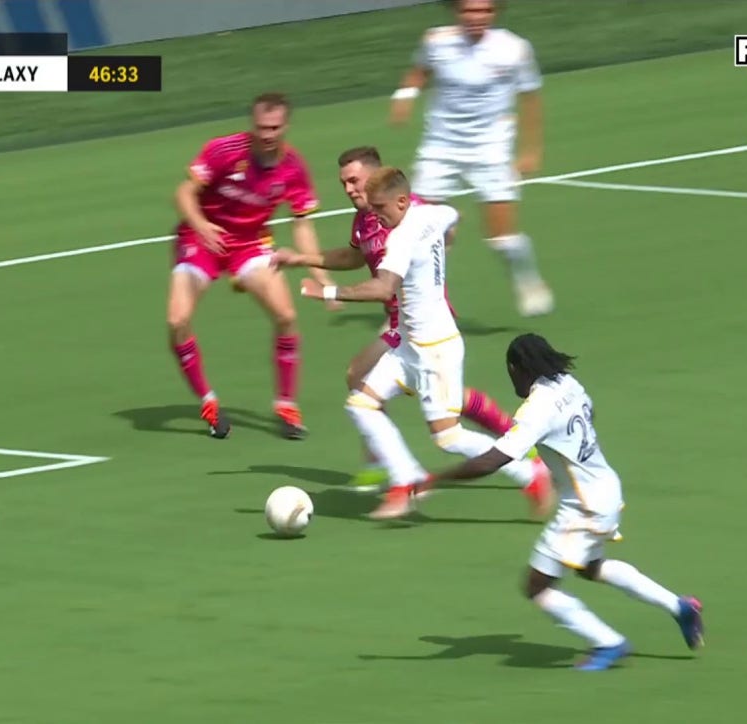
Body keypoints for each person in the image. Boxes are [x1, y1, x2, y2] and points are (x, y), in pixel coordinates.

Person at [371, 333, 705, 671]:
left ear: (518, 368)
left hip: (583, 507)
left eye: (510, 371)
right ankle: (680, 608)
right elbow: (590, 413)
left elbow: (493, 460)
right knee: (592, 568)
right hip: (605, 487)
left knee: (537, 586)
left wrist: (435, 478)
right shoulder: (568, 383)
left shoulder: (536, 411)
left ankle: (608, 643)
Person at [275, 147, 548, 515]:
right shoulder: (412, 213)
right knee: (361, 399)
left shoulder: (402, 231)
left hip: (431, 341)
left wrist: (324, 291)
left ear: (393, 195)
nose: (352, 193)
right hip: (407, 336)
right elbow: (451, 216)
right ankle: (405, 477)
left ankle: (527, 469)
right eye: (344, 184)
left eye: (355, 182)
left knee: (448, 435)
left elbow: (383, 287)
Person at [169, 92, 335, 440]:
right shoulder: (224, 150)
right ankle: (208, 401)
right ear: (252, 124)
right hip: (202, 239)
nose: (268, 134)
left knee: (287, 316)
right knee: (177, 319)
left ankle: (286, 405)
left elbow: (302, 223)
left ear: (286, 125)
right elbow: (184, 193)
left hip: (250, 244)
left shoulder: (293, 167)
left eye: (275, 127)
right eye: (262, 127)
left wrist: (321, 277)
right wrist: (201, 226)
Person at [390, 0, 554, 317]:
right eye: (469, 10)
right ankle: (410, 313)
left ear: (495, 13)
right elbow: (418, 73)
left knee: (501, 238)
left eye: (484, 11)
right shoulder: (435, 41)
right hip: (440, 147)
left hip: (491, 149)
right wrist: (404, 97)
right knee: (420, 233)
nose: (476, 17)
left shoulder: (515, 49)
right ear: (456, 12)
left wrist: (532, 150)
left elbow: (530, 98)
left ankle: (527, 280)